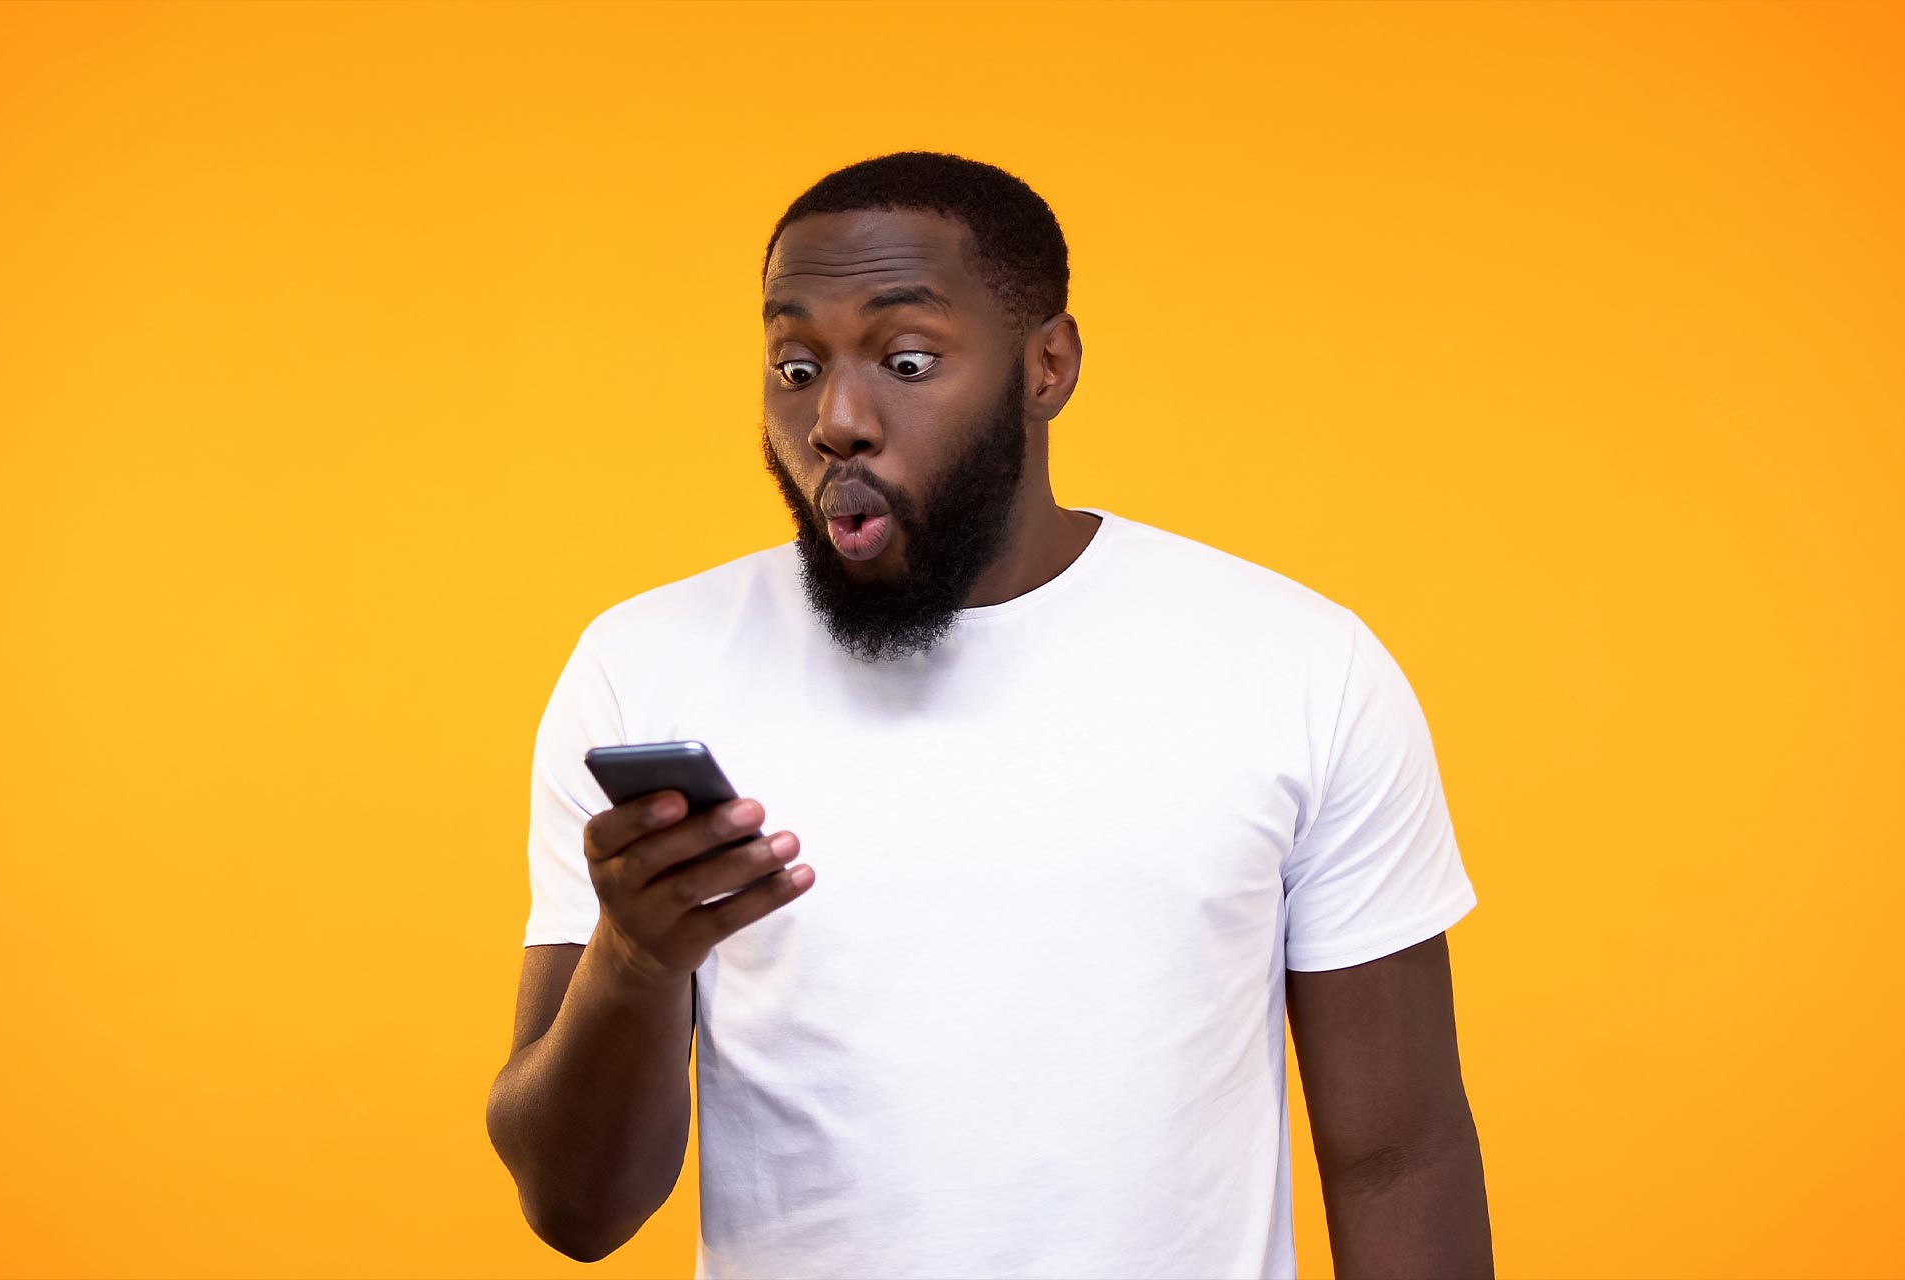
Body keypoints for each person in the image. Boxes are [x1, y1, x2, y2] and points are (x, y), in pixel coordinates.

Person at [486, 150, 1493, 1279]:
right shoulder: (647, 666)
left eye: (906, 358)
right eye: (795, 363)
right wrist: (633, 957)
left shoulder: (1299, 664)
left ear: (1047, 366)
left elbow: (1398, 1156)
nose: (837, 417)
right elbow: (573, 1210)